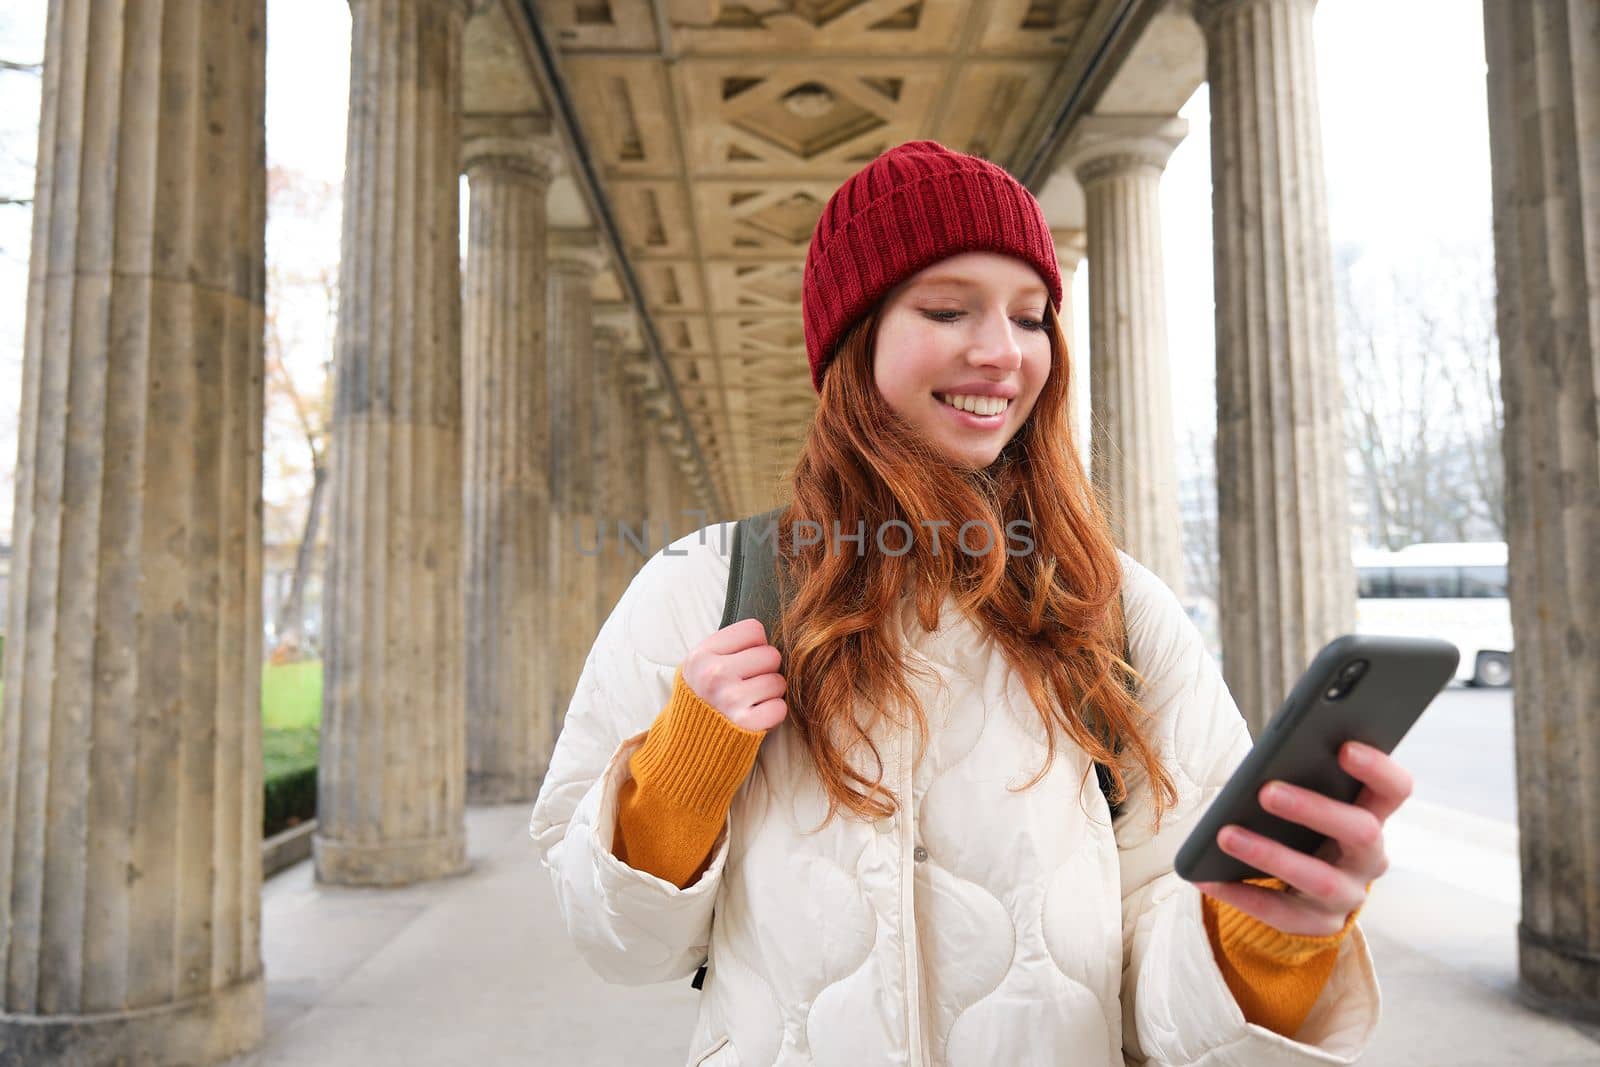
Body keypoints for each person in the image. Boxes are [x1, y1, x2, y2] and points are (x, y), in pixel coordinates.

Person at [530, 140, 1394, 1066]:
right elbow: (618, 945)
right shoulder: (704, 584)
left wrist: (1266, 936)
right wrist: (677, 782)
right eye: (947, 309)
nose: (1001, 353)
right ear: (852, 342)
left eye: (1030, 319)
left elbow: (1157, 982)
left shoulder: (1119, 608)